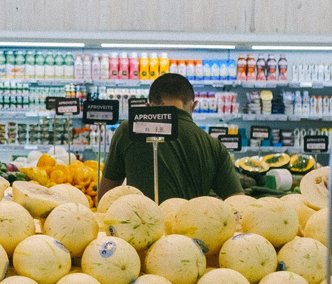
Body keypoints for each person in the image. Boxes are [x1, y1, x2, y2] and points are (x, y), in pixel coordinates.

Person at [98, 71, 242, 202]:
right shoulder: (214, 145)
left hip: (141, 226)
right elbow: (238, 201)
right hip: (191, 228)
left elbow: (105, 197)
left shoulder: (129, 130)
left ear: (147, 106)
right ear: (193, 106)